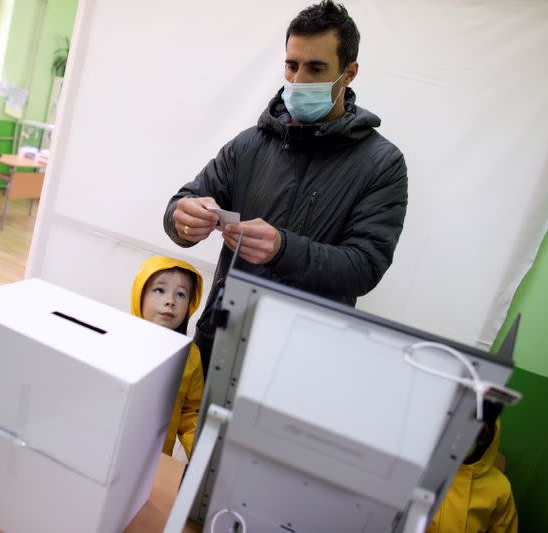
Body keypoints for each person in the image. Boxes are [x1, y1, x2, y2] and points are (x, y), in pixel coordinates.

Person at [163, 1, 408, 375]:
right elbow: (183, 202)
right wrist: (181, 218)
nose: (298, 80)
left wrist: (284, 249)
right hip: (221, 344)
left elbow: (365, 266)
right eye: (292, 65)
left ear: (349, 72)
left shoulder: (382, 164)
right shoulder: (250, 145)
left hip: (301, 364)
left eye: (316, 68)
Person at [131, 256, 205, 459]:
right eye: (159, 290)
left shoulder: (190, 356)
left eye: (181, 294)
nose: (170, 301)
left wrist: (202, 456)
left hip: (157, 460)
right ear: (140, 295)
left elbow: (191, 414)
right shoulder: (121, 338)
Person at [427, 407, 518, 532]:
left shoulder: (500, 488)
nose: (455, 435)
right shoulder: (422, 469)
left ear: (485, 435)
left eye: (466, 427)